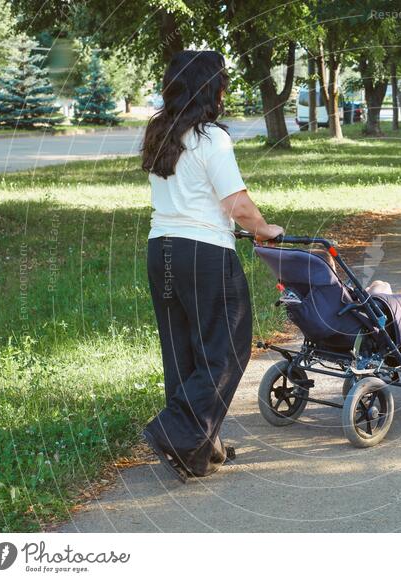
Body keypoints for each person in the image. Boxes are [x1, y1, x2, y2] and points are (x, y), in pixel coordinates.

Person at [139, 50, 283, 483]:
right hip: (203, 253)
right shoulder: (210, 138)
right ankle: (178, 430)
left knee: (181, 351)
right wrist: (264, 229)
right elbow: (236, 204)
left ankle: (198, 450)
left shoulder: (160, 131)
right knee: (226, 349)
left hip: (161, 249)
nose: (225, 89)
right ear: (211, 88)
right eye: (222, 82)